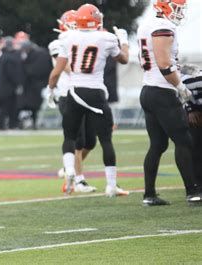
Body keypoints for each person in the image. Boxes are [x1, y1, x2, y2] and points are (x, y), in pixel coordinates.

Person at [48, 4, 130, 197]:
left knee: (70, 137)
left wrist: (50, 89)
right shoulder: (106, 38)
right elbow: (124, 59)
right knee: (106, 140)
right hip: (95, 92)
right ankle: (111, 185)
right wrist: (124, 40)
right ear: (97, 20)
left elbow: (57, 71)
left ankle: (69, 170)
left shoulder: (67, 38)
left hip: (74, 93)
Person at [137, 0, 201, 205]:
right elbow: (164, 63)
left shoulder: (148, 24)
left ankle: (149, 195)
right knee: (184, 141)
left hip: (148, 89)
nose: (180, 12)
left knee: (157, 145)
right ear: (165, 6)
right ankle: (193, 191)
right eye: (177, 7)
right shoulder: (163, 26)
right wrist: (180, 86)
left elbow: (162, 60)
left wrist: (182, 68)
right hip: (163, 92)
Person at [48, 10, 97, 193]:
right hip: (67, 95)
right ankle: (78, 179)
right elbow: (69, 68)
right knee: (78, 139)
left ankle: (68, 166)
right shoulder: (58, 43)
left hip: (85, 94)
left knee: (90, 141)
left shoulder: (83, 42)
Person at [181, 65, 202, 199]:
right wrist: (190, 110)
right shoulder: (193, 78)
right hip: (194, 109)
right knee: (195, 148)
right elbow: (180, 88)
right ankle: (197, 186)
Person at [0, 36, 23, 130]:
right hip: (10, 87)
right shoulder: (12, 57)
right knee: (12, 107)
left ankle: (0, 124)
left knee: (3, 107)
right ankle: (12, 125)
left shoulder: (2, 56)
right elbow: (12, 74)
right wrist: (18, 84)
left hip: (2, 86)